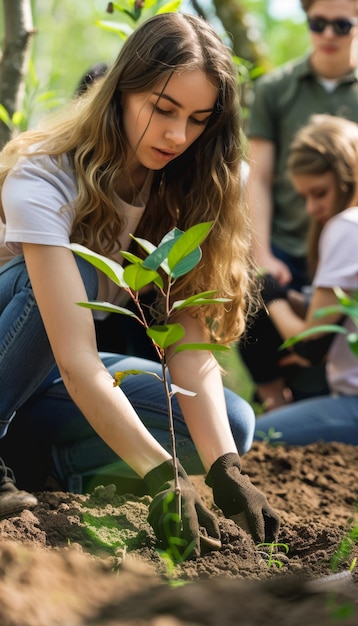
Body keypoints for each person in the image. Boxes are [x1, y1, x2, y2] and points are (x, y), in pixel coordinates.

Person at [0, 12, 279, 556]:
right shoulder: (46, 174)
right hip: (20, 353)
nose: (178, 135)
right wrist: (159, 473)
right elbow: (79, 359)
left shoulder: (183, 191)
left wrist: (226, 471)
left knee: (234, 426)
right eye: (162, 108)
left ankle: (38, 462)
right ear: (122, 93)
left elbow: (186, 338)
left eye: (198, 119)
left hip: (49, 378)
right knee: (81, 269)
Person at [238, 0, 358, 410]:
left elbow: (310, 344)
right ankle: (272, 402)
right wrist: (263, 255)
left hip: (344, 250)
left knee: (318, 377)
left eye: (342, 25)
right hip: (289, 247)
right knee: (249, 301)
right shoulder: (276, 89)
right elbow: (261, 177)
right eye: (318, 23)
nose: (328, 34)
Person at [255, 113, 358, 445]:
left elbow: (312, 344)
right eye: (305, 197)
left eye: (320, 192)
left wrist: (271, 294)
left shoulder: (348, 227)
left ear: (348, 177)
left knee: (249, 439)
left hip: (352, 406)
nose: (312, 208)